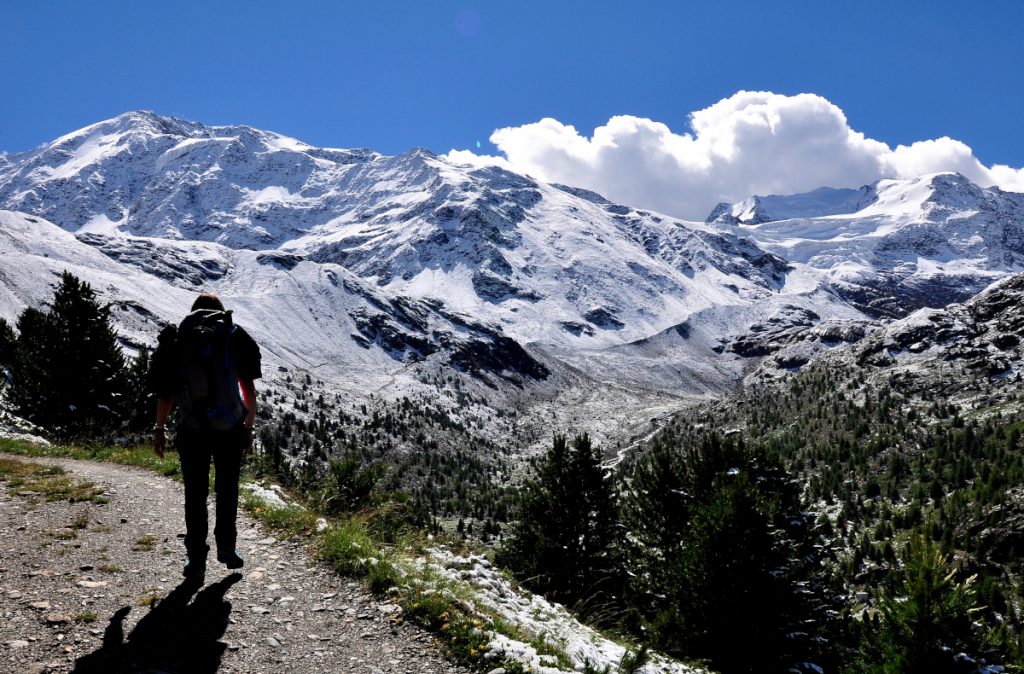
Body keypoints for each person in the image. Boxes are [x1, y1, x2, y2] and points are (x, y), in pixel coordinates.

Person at [149, 293, 261, 582]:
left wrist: (159, 429)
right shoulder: (233, 335)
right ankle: (227, 548)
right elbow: (248, 389)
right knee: (227, 489)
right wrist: (247, 427)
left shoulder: (180, 339)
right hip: (229, 428)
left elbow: (167, 393)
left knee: (195, 494)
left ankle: (196, 559)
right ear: (220, 312)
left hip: (192, 428)